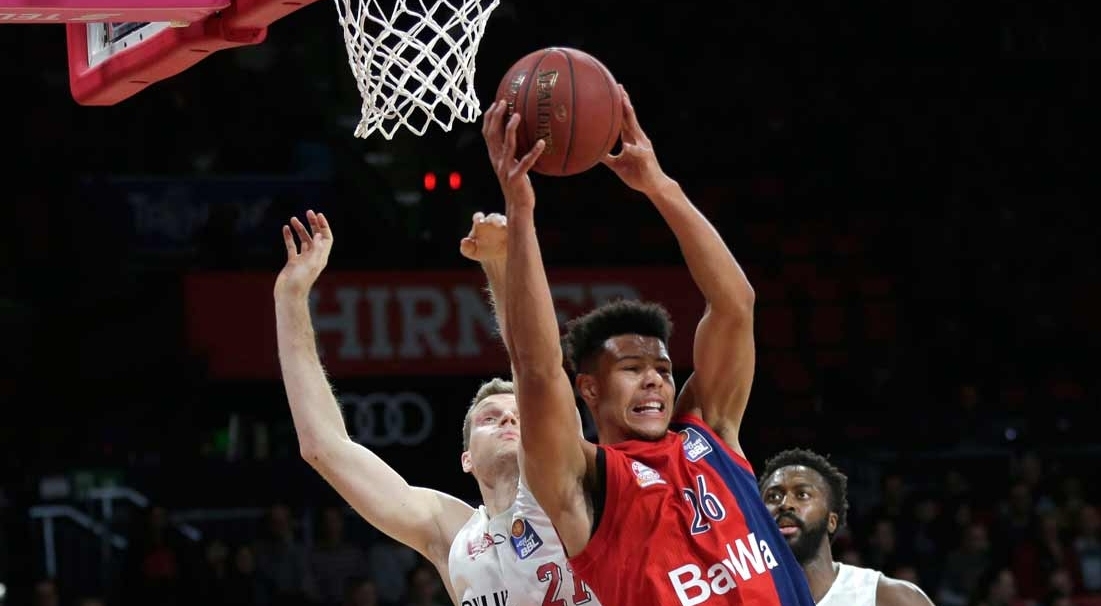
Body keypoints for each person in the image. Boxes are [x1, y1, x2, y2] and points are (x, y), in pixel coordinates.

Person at [487, 89, 814, 605]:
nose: (655, 380)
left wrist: (660, 186)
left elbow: (735, 305)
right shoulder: (584, 481)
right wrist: (520, 209)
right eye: (632, 368)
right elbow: (538, 368)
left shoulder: (710, 431)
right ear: (588, 388)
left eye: (662, 368)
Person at [273, 210, 598, 606]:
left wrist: (500, 266)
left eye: (518, 414)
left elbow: (535, 366)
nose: (508, 418)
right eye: (489, 418)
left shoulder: (576, 486)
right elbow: (324, 447)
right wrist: (290, 298)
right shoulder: (452, 532)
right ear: (466, 459)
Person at [759, 448, 935, 606]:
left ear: (831, 521)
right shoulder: (745, 598)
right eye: (773, 497)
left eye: (802, 494)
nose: (785, 504)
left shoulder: (888, 597)